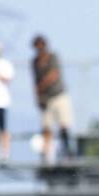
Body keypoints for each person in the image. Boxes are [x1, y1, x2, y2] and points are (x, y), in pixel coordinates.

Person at [31, 35, 73, 163]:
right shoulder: (35, 62)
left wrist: (41, 86)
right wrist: (38, 96)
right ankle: (47, 157)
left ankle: (67, 153)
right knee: (46, 127)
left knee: (64, 125)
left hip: (58, 95)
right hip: (46, 99)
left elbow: (54, 75)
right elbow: (35, 81)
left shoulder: (53, 57)